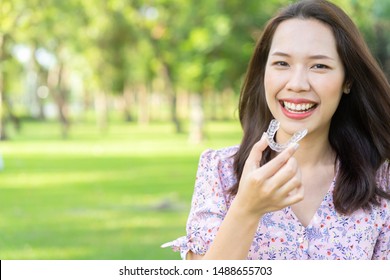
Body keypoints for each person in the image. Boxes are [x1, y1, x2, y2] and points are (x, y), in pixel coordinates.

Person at [162, 0, 390, 260]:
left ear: (347, 80)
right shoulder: (220, 172)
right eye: (282, 63)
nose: (297, 84)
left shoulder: (380, 182)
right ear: (263, 73)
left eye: (319, 66)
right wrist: (247, 209)